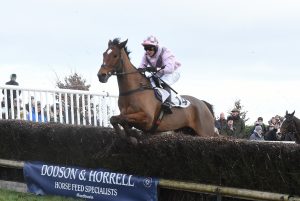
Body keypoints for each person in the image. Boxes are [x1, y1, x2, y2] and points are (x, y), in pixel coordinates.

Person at [139, 35, 181, 113]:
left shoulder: (164, 51)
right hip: (160, 72)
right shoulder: (146, 55)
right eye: (146, 48)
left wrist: (154, 69)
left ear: (155, 47)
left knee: (162, 82)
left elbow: (169, 69)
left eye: (150, 48)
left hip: (173, 72)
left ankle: (168, 103)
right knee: (148, 82)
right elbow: (141, 67)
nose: (147, 51)